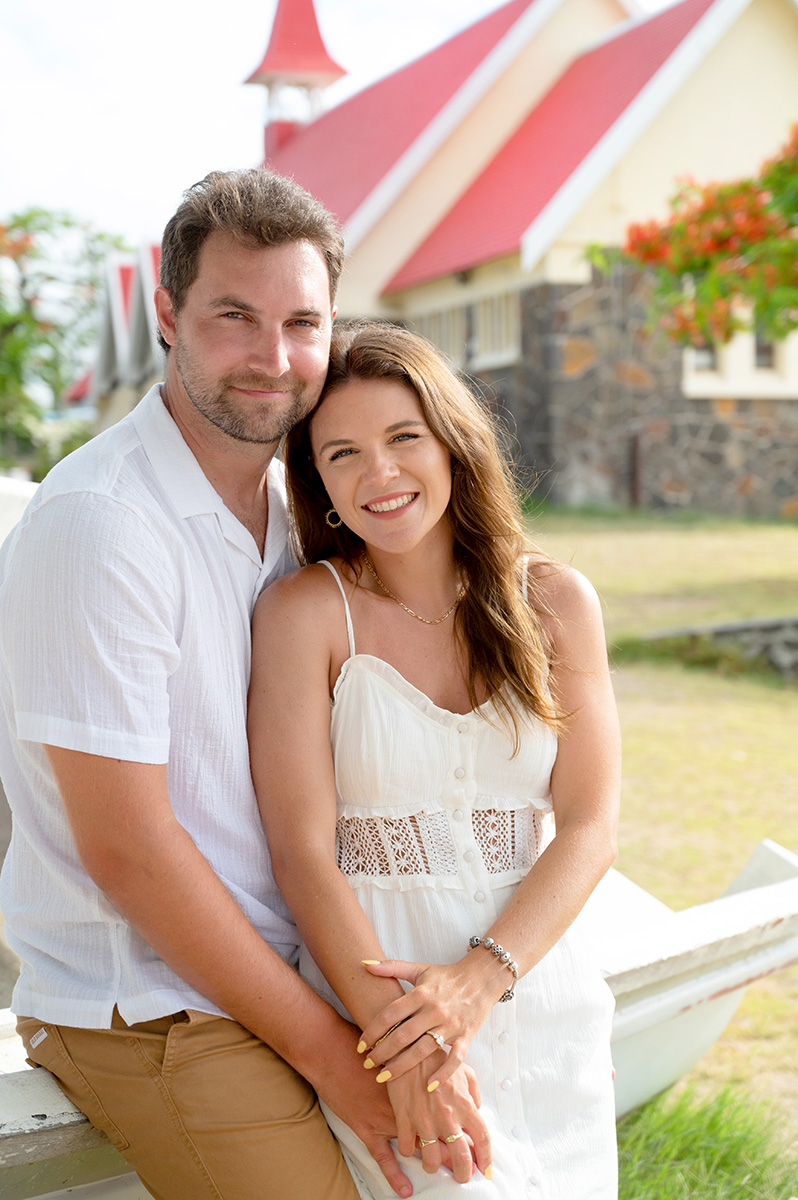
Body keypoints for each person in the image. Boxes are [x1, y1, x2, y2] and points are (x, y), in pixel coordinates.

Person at [0, 171, 449, 1200]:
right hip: (153, 1004)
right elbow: (128, 851)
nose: (276, 359)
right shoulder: (102, 526)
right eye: (235, 316)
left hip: (292, 972)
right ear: (169, 315)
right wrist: (348, 1060)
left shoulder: (296, 519)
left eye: (303, 322)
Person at [248, 321, 621, 1198]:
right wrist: (407, 1044)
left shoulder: (556, 600)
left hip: (539, 994)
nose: (379, 474)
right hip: (382, 1005)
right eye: (343, 454)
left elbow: (592, 826)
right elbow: (302, 851)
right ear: (322, 487)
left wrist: (481, 983)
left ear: (453, 443)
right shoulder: (305, 615)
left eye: (403, 437)